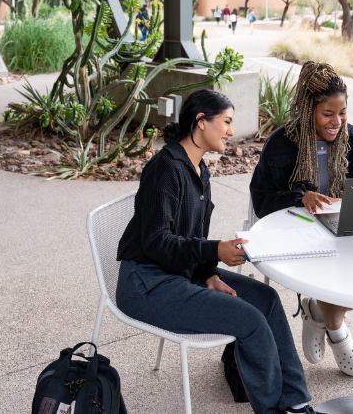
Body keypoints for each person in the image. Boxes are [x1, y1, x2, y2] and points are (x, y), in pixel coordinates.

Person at [116, 89, 326, 414]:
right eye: (226, 121)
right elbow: (157, 242)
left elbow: (191, 237)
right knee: (251, 322)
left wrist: (208, 273)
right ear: (201, 122)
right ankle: (274, 410)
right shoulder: (165, 169)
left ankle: (297, 404)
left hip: (183, 274)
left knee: (266, 301)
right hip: (148, 285)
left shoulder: (201, 171)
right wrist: (216, 250)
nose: (230, 130)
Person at [250, 61, 353, 377]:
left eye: (343, 112)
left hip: (344, 227)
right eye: (328, 114)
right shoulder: (281, 143)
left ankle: (317, 310)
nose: (337, 122)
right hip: (295, 230)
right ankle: (337, 330)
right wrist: (301, 197)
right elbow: (263, 201)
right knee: (331, 262)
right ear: (308, 109)